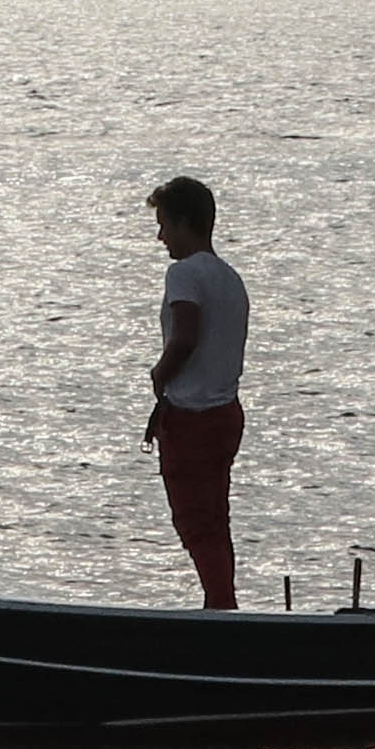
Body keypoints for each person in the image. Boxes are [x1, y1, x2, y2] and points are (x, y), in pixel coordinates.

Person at [137, 174, 250, 608]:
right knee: (215, 519)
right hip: (226, 413)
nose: (161, 235)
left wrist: (161, 373)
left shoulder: (183, 273)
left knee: (194, 520)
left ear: (187, 223)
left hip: (193, 417)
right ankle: (220, 600)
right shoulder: (230, 277)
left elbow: (185, 335)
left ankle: (220, 606)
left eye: (165, 224)